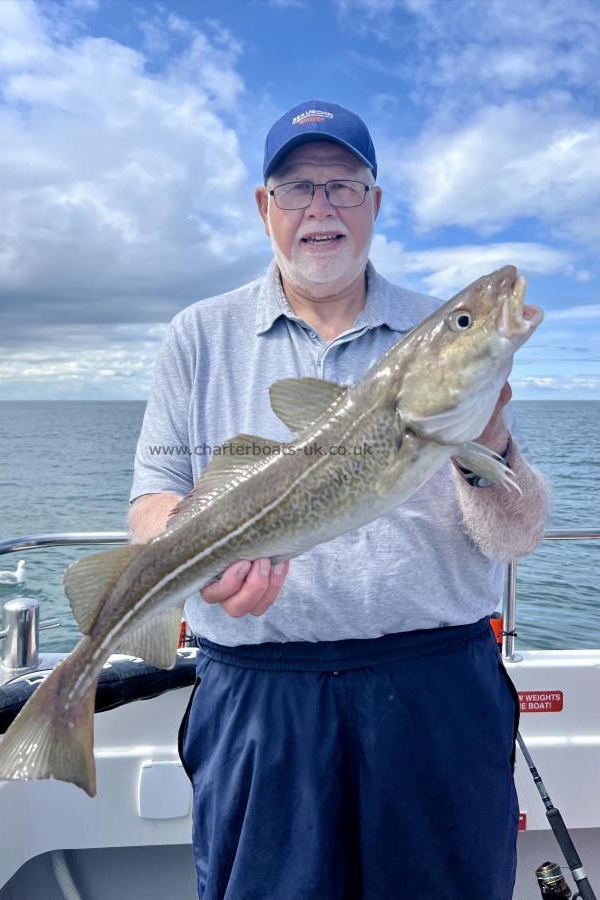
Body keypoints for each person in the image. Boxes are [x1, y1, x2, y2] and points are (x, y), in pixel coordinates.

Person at [128, 100, 549, 900]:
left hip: (437, 691)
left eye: (344, 186)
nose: (320, 208)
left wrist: (486, 445)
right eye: (296, 188)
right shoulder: (198, 335)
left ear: (375, 204)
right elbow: (155, 497)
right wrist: (198, 564)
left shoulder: (440, 336)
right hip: (260, 699)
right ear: (265, 208)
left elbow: (516, 533)